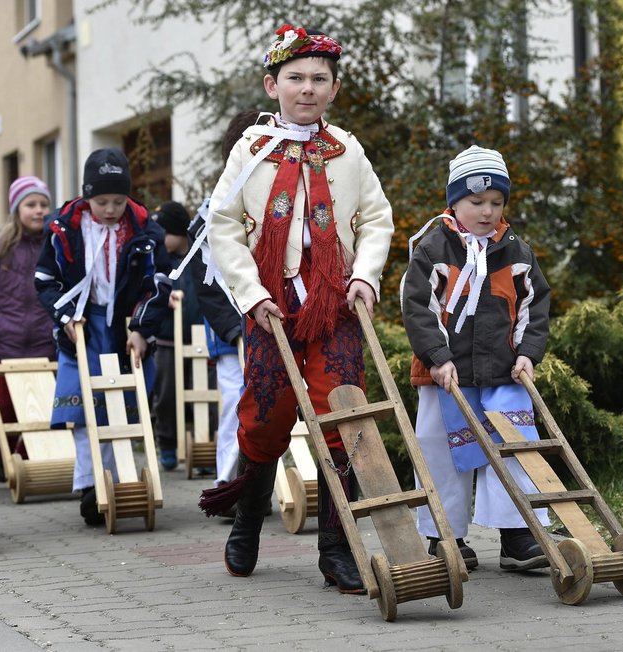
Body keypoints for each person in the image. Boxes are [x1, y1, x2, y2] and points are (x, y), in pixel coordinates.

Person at [202, 25, 394, 594]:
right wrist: (251, 293)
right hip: (271, 304)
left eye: (318, 80)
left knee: (342, 416)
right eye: (295, 79)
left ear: (333, 89)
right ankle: (247, 516)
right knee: (264, 416)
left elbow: (376, 218)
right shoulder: (251, 151)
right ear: (272, 85)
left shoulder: (348, 150)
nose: (306, 89)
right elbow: (223, 225)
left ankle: (338, 548)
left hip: (334, 303)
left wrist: (365, 277)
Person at [400, 145, 552, 571]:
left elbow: (533, 307)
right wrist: (435, 355)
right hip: (443, 372)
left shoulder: (515, 251)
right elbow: (417, 307)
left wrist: (527, 354)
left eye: (496, 202)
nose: (487, 211)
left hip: (503, 372)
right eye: (476, 201)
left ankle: (519, 536)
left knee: (516, 444)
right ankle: (444, 536)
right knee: (441, 450)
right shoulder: (433, 249)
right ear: (454, 201)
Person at [35, 147, 172, 526]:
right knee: (83, 408)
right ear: (86, 196)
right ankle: (90, 484)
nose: (110, 209)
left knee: (121, 406)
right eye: (101, 201)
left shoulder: (145, 231)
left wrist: (143, 329)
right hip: (82, 325)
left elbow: (159, 283)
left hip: (126, 327)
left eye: (118, 200)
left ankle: (119, 479)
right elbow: (46, 281)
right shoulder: (65, 229)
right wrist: (65, 316)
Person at [187, 110, 262, 510]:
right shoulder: (211, 214)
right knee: (238, 399)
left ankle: (275, 483)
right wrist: (234, 329)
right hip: (231, 329)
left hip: (273, 322)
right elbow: (207, 285)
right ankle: (226, 484)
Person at [0, 176, 57, 482]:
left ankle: (27, 464)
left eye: (43, 204)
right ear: (16, 209)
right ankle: (3, 453)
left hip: (43, 340)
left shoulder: (54, 244)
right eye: (31, 204)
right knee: (5, 407)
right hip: (4, 343)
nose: (38, 210)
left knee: (40, 408)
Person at [148, 200, 201, 471]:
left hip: (200, 340)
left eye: (163, 232)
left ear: (179, 231)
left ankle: (205, 444)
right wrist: (164, 299)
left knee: (204, 393)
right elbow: (151, 290)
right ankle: (167, 444)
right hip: (168, 340)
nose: (158, 238)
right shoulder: (160, 260)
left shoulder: (198, 257)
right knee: (166, 394)